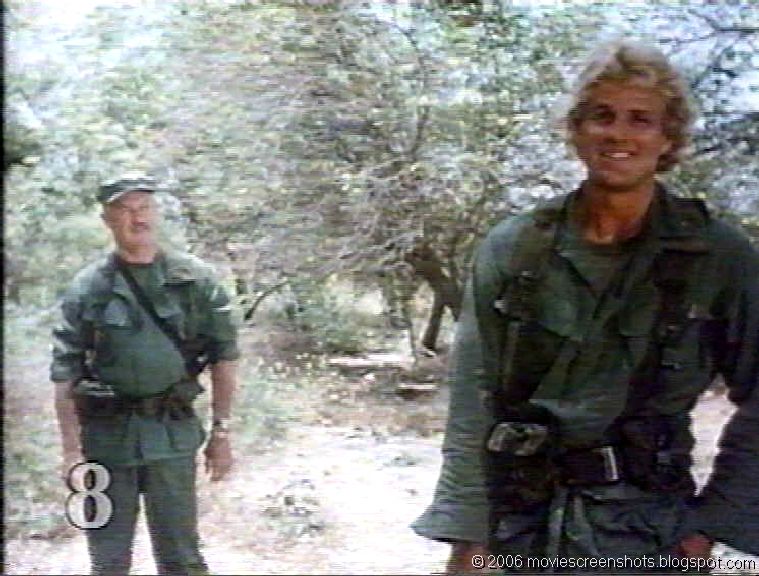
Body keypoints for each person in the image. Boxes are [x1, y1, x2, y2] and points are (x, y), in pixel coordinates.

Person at [412, 40, 759, 573]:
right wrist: (467, 536)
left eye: (641, 120)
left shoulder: (717, 256)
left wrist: (710, 525)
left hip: (650, 533)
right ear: (576, 130)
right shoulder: (517, 247)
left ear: (668, 138)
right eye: (602, 116)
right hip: (522, 526)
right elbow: (473, 400)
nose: (618, 134)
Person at [52, 173, 240, 575]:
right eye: (125, 210)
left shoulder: (194, 280)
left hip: (171, 438)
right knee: (107, 559)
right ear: (107, 219)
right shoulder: (89, 287)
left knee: (181, 557)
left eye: (145, 208)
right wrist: (71, 452)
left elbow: (224, 357)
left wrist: (221, 432)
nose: (138, 219)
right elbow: (66, 371)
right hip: (104, 443)